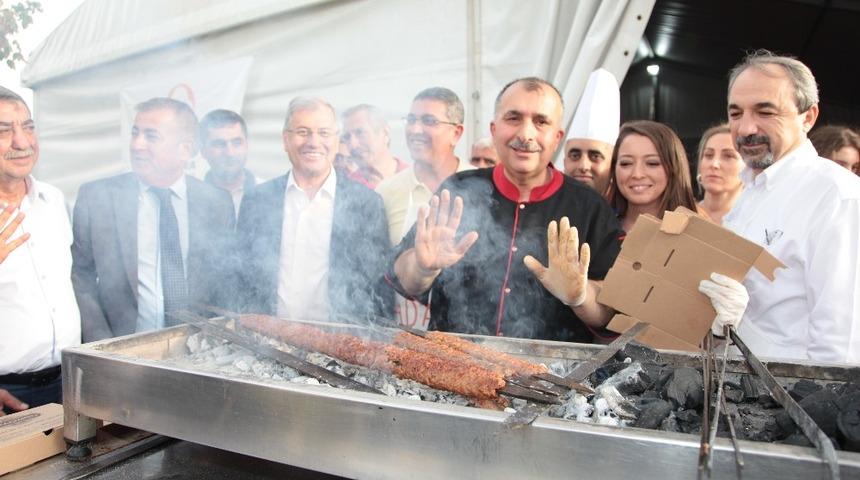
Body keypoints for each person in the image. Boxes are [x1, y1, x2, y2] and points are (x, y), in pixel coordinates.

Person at [389, 77, 623, 342]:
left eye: (541, 122)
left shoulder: (590, 207)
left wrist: (580, 296)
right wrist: (423, 267)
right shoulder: (458, 189)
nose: (526, 134)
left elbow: (611, 311)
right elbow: (403, 278)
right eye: (513, 118)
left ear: (557, 137)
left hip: (551, 377)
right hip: (452, 366)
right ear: (494, 129)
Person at [699, 50, 860, 363]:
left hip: (797, 400)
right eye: (736, 114)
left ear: (808, 117)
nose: (746, 129)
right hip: (741, 393)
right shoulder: (749, 195)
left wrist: (814, 408)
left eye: (765, 112)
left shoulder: (837, 196)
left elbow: (842, 343)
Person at [72, 97, 235, 342]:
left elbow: (225, 280)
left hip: (198, 354)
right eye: (135, 133)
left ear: (186, 149)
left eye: (151, 136)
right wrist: (102, 344)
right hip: (120, 353)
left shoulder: (216, 202)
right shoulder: (97, 197)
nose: (137, 145)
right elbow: (81, 276)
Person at [236, 97, 392, 322]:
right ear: (285, 139)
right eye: (302, 131)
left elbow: (380, 286)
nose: (313, 142)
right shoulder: (256, 200)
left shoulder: (366, 203)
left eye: (324, 133)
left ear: (337, 142)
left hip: (339, 344)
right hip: (268, 343)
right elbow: (241, 276)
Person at [0, 87, 80, 413]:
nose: (22, 142)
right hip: (9, 393)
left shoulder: (54, 200)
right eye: (4, 131)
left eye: (28, 127)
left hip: (70, 382)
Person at [376, 87, 473, 329]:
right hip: (395, 333)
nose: (415, 129)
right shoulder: (387, 191)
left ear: (456, 133)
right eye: (412, 120)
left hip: (460, 337)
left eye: (429, 121)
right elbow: (377, 266)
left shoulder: (477, 185)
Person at [606, 120, 698, 233]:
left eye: (652, 163)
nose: (637, 174)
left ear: (674, 168)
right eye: (626, 163)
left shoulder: (696, 235)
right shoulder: (598, 230)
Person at [562, 68, 619, 197]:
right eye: (575, 155)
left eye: (595, 156)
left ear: (613, 166)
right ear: (564, 162)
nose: (583, 166)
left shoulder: (622, 216)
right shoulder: (546, 211)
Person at [199, 109, 258, 216]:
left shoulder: (269, 194)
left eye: (237, 143)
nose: (230, 153)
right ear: (203, 151)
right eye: (219, 144)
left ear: (247, 145)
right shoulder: (191, 198)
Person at [341, 104, 409, 188]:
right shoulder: (346, 189)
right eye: (347, 137)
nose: (353, 144)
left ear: (385, 134)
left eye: (360, 133)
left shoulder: (417, 179)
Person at [696, 124, 744, 224]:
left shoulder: (756, 219)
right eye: (708, 155)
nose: (714, 164)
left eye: (728, 156)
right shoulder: (680, 213)